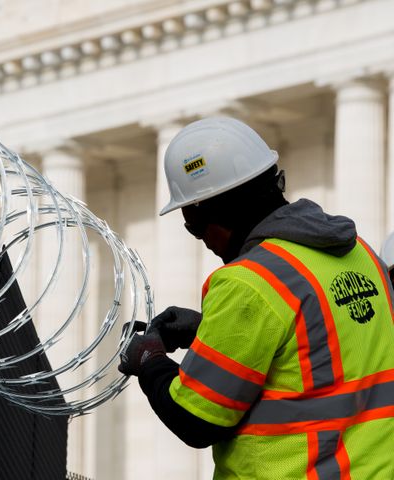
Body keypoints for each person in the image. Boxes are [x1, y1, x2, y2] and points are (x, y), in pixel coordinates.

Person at [118, 117, 394, 479]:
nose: (205, 242)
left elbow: (196, 419)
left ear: (209, 214)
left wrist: (149, 358)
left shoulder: (248, 284)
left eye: (193, 226)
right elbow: (325, 347)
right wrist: (208, 331)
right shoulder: (363, 255)